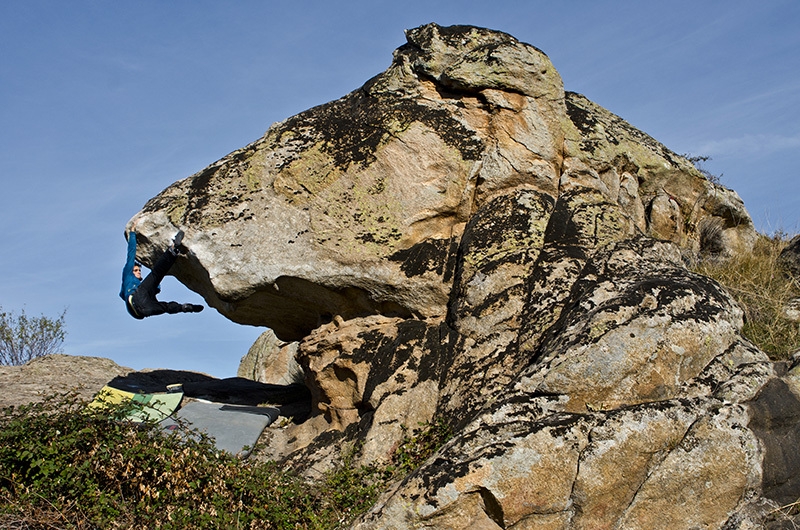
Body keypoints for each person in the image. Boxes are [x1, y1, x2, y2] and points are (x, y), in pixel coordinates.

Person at [120, 227, 204, 319]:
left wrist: (156, 288)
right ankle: (173, 249)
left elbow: (156, 289)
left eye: (139, 270)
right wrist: (132, 233)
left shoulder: (141, 287)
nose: (139, 272)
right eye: (136, 270)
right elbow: (131, 254)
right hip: (137, 299)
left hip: (145, 311)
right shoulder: (128, 276)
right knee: (156, 274)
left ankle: (185, 308)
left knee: (165, 307)